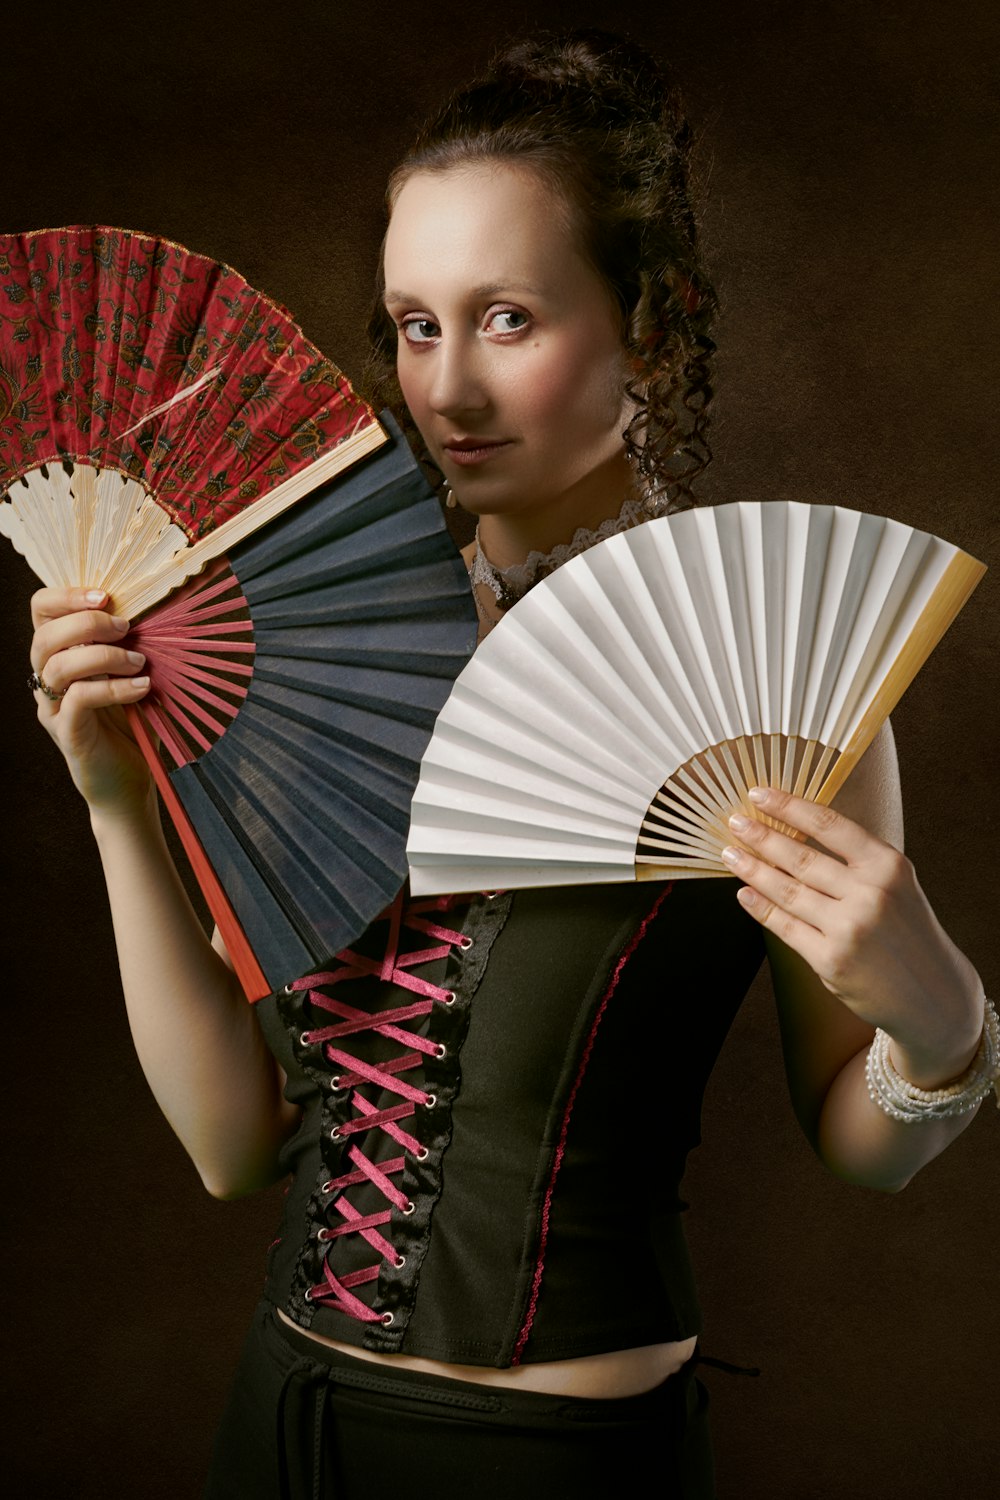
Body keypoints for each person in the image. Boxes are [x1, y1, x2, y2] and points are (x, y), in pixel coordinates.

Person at [25, 30, 993, 1500]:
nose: (449, 388)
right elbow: (234, 1148)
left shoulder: (776, 690)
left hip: (560, 1456)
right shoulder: (310, 657)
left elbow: (863, 1147)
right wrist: (112, 798)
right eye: (416, 325)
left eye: (509, 318)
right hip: (283, 1414)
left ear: (649, 327)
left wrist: (946, 1030)